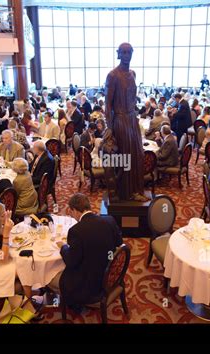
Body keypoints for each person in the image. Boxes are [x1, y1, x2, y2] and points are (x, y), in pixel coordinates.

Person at [48, 193, 123, 308]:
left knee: (48, 275)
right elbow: (119, 243)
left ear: (75, 210)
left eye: (71, 213)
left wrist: (63, 247)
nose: (72, 216)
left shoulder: (76, 231)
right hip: (110, 274)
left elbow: (71, 261)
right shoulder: (109, 220)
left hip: (89, 285)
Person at [104, 42, 146, 201]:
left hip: (132, 119)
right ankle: (126, 193)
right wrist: (109, 126)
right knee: (125, 157)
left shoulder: (133, 74)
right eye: (124, 52)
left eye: (129, 52)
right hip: (120, 120)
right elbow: (107, 103)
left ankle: (136, 189)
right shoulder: (113, 75)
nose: (127, 55)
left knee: (138, 155)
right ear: (119, 54)